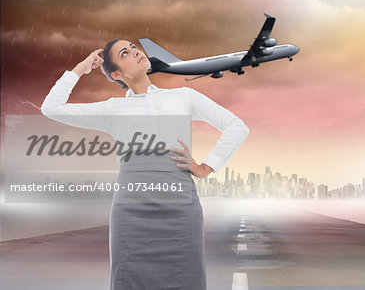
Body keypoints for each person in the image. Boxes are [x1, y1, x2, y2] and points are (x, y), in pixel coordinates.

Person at [40, 39, 250, 290]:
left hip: (180, 211)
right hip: (131, 214)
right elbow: (51, 108)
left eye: (134, 46)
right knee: (129, 280)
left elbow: (237, 126)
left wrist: (206, 166)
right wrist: (81, 68)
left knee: (187, 281)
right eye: (125, 53)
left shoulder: (183, 96)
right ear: (116, 74)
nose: (136, 51)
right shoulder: (113, 109)